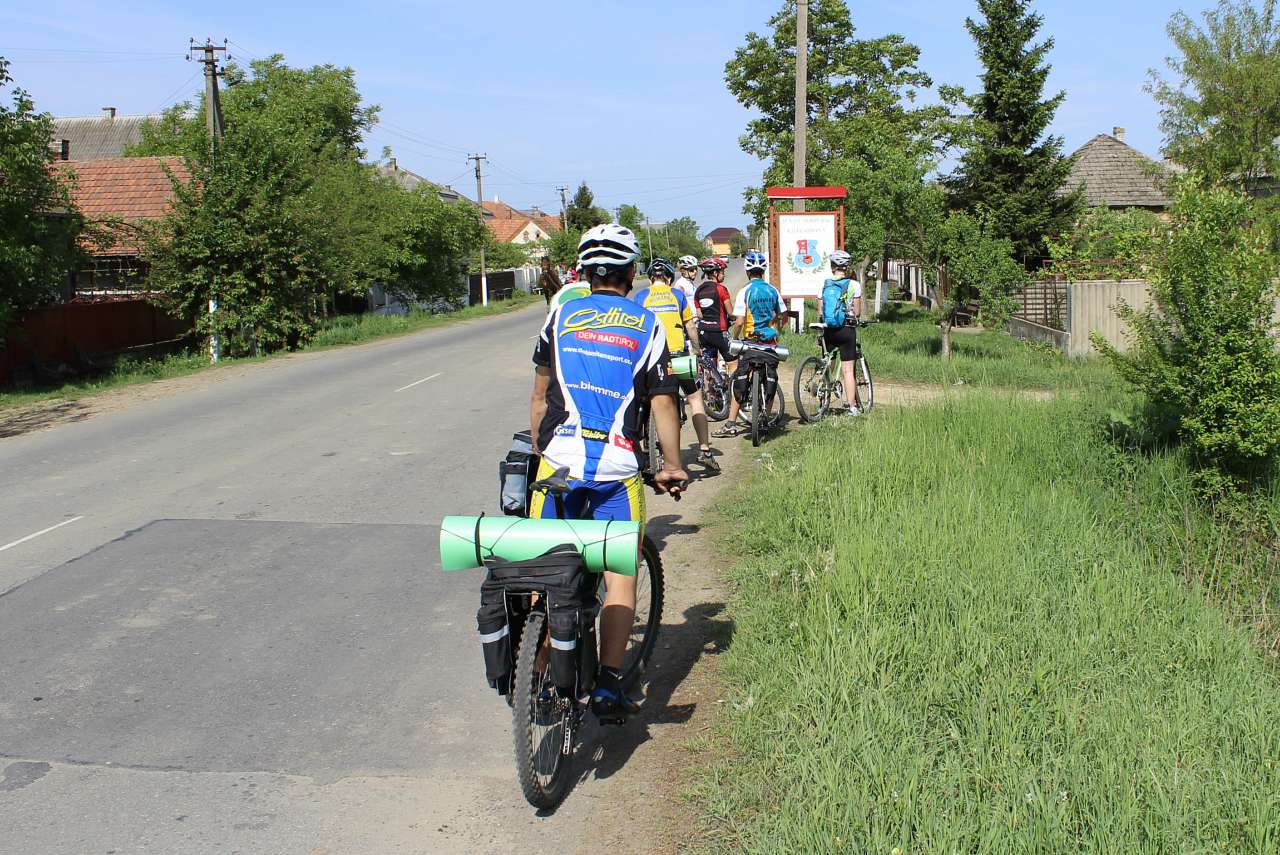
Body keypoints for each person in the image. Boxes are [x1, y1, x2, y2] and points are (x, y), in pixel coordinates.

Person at [529, 224, 688, 723]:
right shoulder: (646, 324)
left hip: (557, 466)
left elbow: (539, 399)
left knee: (541, 569)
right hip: (617, 473)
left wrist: (543, 455)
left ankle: (537, 674)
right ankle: (607, 684)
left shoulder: (561, 315)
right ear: (632, 273)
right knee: (621, 573)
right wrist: (672, 464)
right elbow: (663, 402)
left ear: (582, 272)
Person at [631, 258, 719, 471]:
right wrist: (697, 352)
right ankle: (705, 450)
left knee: (640, 399)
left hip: (650, 360)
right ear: (669, 278)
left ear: (651, 278)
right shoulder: (677, 295)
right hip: (678, 356)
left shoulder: (641, 297)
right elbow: (690, 327)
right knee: (695, 397)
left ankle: (634, 448)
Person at [714, 251, 792, 437]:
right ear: (763, 271)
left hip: (750, 342)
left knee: (741, 379)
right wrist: (777, 332)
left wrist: (734, 338)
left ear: (748, 272)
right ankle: (765, 419)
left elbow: (739, 321)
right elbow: (783, 315)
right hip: (770, 343)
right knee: (770, 378)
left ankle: (731, 424)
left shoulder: (745, 291)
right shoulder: (773, 290)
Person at [819, 249, 864, 415]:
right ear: (847, 267)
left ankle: (823, 404)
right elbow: (857, 312)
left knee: (826, 366)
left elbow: (821, 310)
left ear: (832, 267)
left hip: (828, 330)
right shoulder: (854, 285)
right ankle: (852, 407)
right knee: (847, 371)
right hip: (846, 329)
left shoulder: (825, 284)